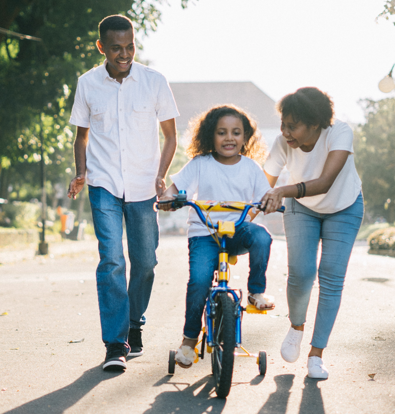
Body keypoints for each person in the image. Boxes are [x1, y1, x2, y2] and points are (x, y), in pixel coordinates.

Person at [67, 15, 179, 372]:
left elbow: (171, 136)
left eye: (130, 46)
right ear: (102, 47)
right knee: (112, 260)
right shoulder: (87, 84)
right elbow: (81, 136)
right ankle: (115, 343)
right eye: (116, 48)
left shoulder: (154, 81)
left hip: (144, 185)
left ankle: (134, 324)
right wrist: (81, 173)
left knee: (145, 262)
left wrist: (161, 175)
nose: (125, 54)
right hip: (103, 185)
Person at [159, 105, 276, 368]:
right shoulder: (200, 164)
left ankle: (256, 292)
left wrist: (270, 202)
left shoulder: (251, 168)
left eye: (236, 132)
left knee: (262, 237)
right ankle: (189, 341)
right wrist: (168, 198)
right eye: (222, 133)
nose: (229, 138)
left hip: (236, 231)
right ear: (211, 136)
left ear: (245, 138)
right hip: (204, 234)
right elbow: (174, 188)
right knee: (199, 281)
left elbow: (265, 196)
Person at [260, 87, 364, 379]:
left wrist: (281, 190)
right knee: (301, 273)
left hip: (344, 206)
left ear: (315, 124)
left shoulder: (339, 133)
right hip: (301, 208)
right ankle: (296, 327)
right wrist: (246, 212)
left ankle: (316, 355)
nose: (285, 132)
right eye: (283, 124)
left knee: (331, 276)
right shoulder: (283, 143)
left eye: (293, 126)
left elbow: (326, 182)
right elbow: (262, 184)